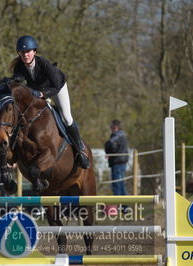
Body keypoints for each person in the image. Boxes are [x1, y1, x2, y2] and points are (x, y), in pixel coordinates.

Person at [9, 35, 89, 169]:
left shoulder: (44, 64)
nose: (25, 55)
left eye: (28, 51)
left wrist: (42, 94)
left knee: (67, 117)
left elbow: (55, 86)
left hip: (56, 87)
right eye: (22, 52)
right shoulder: (19, 66)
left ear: (34, 52)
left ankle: (80, 151)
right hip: (37, 89)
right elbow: (18, 84)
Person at [104, 120, 129, 196]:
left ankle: (122, 206)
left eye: (111, 126)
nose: (110, 127)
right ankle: (124, 206)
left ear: (115, 127)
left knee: (117, 186)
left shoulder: (117, 136)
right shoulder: (121, 135)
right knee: (120, 185)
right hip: (120, 162)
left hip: (117, 163)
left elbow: (111, 145)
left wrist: (108, 152)